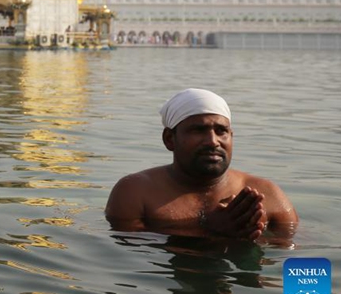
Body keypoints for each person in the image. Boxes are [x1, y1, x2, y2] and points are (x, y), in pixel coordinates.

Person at [105, 88, 298, 240]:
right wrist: (209, 233)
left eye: (221, 131)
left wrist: (252, 240)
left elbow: (299, 257)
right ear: (169, 139)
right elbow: (131, 259)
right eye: (198, 130)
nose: (213, 141)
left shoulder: (267, 194)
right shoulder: (136, 192)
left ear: (231, 137)